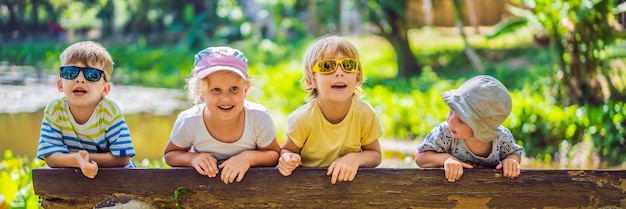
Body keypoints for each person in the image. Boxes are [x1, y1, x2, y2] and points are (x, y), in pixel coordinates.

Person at [163, 46, 281, 184]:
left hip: (251, 187)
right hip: (205, 187)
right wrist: (192, 159)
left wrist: (248, 158)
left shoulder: (258, 118)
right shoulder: (189, 121)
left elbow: (274, 155)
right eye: (216, 90)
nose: (226, 98)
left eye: (234, 89)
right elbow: (170, 155)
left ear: (246, 89)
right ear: (200, 92)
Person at [278, 35, 383, 184]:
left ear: (357, 77)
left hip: (349, 188)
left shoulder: (364, 113)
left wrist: (355, 158)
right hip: (308, 188)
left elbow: (375, 155)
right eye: (327, 66)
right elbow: (287, 150)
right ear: (310, 80)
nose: (339, 72)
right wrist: (288, 159)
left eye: (348, 65)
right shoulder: (303, 119)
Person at [36, 41, 136, 179]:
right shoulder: (55, 110)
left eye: (92, 74)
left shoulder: (109, 112)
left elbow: (122, 158)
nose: (80, 79)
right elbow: (50, 156)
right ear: (60, 84)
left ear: (105, 89)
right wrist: (78, 160)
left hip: (117, 180)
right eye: (70, 72)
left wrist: (85, 158)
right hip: (73, 180)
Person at [415, 75, 524, 182]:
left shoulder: (501, 138)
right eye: (451, 111)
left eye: (462, 120)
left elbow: (515, 153)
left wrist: (511, 160)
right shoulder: (444, 132)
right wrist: (445, 159)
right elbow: (421, 159)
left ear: (481, 129)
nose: (450, 121)